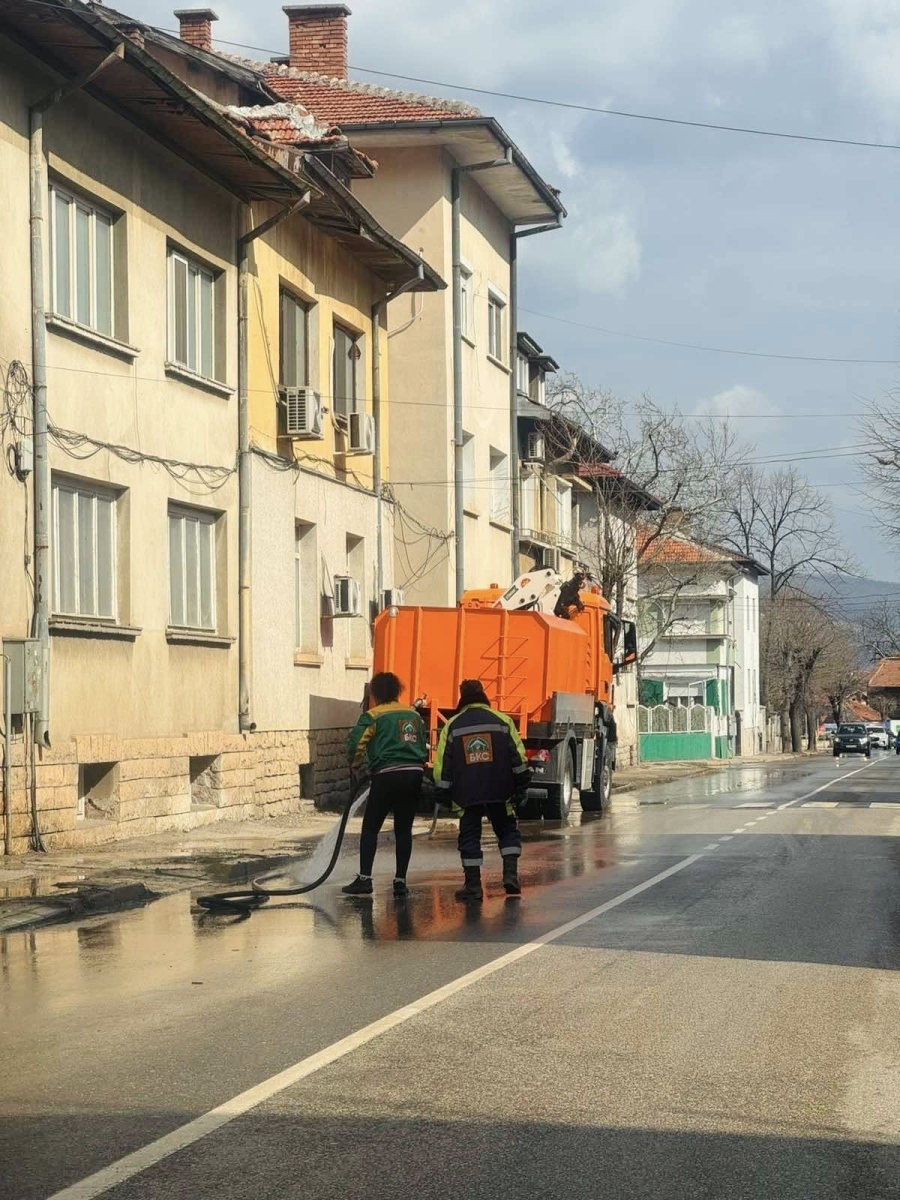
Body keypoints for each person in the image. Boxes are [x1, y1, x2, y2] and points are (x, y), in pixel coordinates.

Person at [433, 679, 531, 902]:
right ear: (483, 694)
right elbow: (519, 758)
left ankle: (473, 888)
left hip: (466, 794)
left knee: (469, 837)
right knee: (507, 831)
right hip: (500, 790)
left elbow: (442, 767)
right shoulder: (503, 721)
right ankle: (510, 876)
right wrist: (521, 786)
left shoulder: (452, 726)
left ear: (462, 695)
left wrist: (443, 794)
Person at [342, 672, 427, 897]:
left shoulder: (373, 716)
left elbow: (356, 743)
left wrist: (356, 764)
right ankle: (400, 881)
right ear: (398, 691)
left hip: (387, 775)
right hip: (414, 774)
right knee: (403, 829)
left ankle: (365, 879)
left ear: (376, 693)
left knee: (371, 827)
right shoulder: (414, 715)